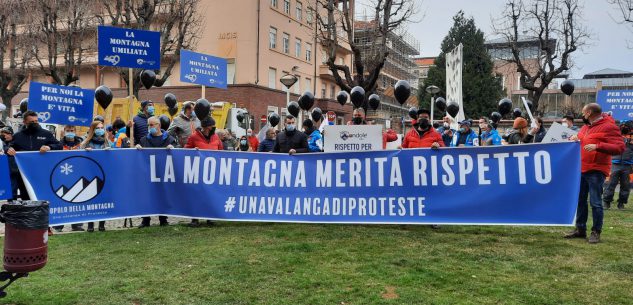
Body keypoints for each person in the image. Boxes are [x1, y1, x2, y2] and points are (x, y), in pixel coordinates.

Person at [565, 103, 625, 243]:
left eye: (583, 112)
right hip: (581, 168)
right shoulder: (586, 127)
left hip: (596, 170)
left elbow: (619, 147)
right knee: (580, 200)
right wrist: (575, 138)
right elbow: (582, 139)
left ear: (590, 112)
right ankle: (580, 229)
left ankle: (596, 232)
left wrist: (598, 146)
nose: (582, 115)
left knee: (595, 202)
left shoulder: (609, 126)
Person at [7, 111, 62, 200]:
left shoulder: (46, 134)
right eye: (32, 122)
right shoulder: (17, 135)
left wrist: (49, 147)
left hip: (42, 171)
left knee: (42, 194)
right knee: (25, 195)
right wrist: (8, 149)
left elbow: (59, 146)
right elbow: (9, 147)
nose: (35, 123)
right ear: (24, 122)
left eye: (36, 121)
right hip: (23, 173)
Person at [135, 116, 177, 228]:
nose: (150, 127)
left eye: (152, 125)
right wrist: (137, 148)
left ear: (159, 125)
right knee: (147, 195)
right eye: (148, 125)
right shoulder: (144, 140)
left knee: (162, 195)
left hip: (163, 172)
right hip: (148, 172)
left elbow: (177, 152)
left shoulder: (169, 139)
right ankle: (145, 220)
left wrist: (173, 148)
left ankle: (163, 219)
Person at [185, 117, 222, 227]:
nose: (214, 128)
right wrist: (192, 151)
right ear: (205, 127)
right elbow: (185, 150)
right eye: (212, 126)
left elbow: (221, 151)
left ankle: (210, 217)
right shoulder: (193, 137)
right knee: (196, 194)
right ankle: (195, 218)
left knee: (211, 194)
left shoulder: (216, 137)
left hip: (212, 171)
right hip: (198, 171)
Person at [53, 125, 86, 232]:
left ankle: (77, 224)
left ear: (75, 131)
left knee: (78, 198)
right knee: (61, 199)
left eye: (72, 131)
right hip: (62, 174)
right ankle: (58, 224)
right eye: (68, 131)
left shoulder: (81, 144)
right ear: (64, 132)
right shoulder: (58, 144)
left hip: (78, 173)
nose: (70, 132)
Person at [80, 120, 112, 232]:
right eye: (97, 128)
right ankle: (90, 224)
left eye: (101, 127)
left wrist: (111, 152)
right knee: (91, 199)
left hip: (104, 174)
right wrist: (84, 151)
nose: (100, 130)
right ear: (93, 130)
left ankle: (102, 224)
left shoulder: (108, 143)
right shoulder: (85, 144)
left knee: (103, 199)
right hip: (89, 175)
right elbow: (78, 158)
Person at [602, 122, 633, 210]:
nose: (624, 128)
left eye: (626, 126)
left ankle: (621, 203)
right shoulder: (614, 137)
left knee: (626, 185)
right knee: (610, 184)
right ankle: (606, 202)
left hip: (628, 165)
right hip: (614, 163)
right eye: (623, 126)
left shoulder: (631, 138)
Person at [1, 127, 20, 200]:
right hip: (10, 172)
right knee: (12, 191)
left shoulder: (17, 141)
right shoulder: (2, 143)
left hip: (22, 171)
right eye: (3, 134)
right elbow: (4, 148)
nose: (5, 136)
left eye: (7, 134)